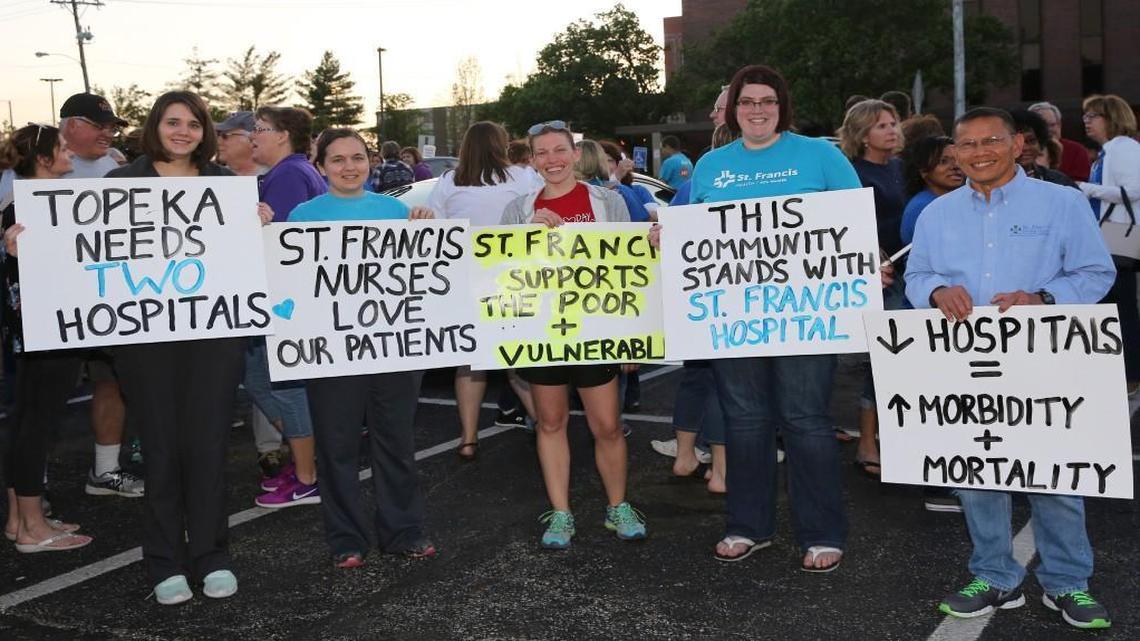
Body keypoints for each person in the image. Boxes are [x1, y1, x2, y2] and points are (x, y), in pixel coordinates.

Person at [907, 106, 1115, 630]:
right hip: (966, 363)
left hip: (1047, 360)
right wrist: (934, 290)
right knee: (978, 474)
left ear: (1017, 145)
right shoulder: (936, 214)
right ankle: (995, 575)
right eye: (966, 145)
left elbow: (1097, 273)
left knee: (1056, 475)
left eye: (990, 141)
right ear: (953, 152)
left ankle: (1068, 583)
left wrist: (1044, 298)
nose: (978, 153)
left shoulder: (1062, 204)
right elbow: (916, 275)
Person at [662, 64, 865, 572]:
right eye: (747, 101)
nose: (757, 110)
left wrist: (869, 261)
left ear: (782, 107)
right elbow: (691, 231)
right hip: (735, 321)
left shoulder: (821, 156)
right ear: (732, 109)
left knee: (806, 422)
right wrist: (666, 238)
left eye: (767, 101)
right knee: (745, 423)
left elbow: (854, 227)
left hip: (807, 319)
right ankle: (748, 526)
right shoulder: (710, 164)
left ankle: (821, 532)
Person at [103, 91, 272, 604]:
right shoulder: (121, 183)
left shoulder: (226, 185)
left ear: (206, 134)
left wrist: (260, 224)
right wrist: (33, 245)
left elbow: (251, 260)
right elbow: (80, 254)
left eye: (194, 124)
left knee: (207, 447)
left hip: (214, 337)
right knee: (160, 449)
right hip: (144, 339)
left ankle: (211, 555)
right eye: (173, 122)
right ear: (155, 126)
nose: (183, 132)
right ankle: (163, 562)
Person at [289, 128, 438, 567]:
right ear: (321, 167)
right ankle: (346, 539)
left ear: (371, 162)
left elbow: (423, 280)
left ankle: (404, 531)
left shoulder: (398, 211)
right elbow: (288, 283)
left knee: (396, 443)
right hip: (332, 354)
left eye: (357, 157)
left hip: (394, 351)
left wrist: (426, 232)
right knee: (337, 449)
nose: (349, 167)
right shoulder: (301, 216)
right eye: (337, 160)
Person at [500, 119, 645, 549]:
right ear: (532, 159)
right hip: (543, 332)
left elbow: (631, 271)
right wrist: (526, 239)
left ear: (575, 153)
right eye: (542, 153)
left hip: (598, 330)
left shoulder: (606, 201)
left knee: (608, 426)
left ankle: (618, 505)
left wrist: (631, 337)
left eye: (559, 150)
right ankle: (561, 513)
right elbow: (501, 274)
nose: (552, 160)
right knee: (550, 422)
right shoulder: (518, 210)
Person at [1, 124, 92, 552]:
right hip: (48, 330)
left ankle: (21, 519)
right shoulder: (29, 208)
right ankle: (33, 528)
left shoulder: (20, 202)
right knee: (37, 424)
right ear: (42, 158)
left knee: (25, 421)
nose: (69, 153)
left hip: (34, 331)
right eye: (60, 148)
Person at [426, 121, 539, 459]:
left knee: (470, 361)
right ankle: (545, 422)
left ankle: (468, 438)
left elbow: (432, 223)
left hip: (467, 280)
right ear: (500, 145)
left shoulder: (449, 182)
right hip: (514, 278)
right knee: (517, 359)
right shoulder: (522, 177)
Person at [58, 93, 142, 500]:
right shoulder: (40, 164)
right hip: (55, 299)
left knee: (110, 382)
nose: (108, 132)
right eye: (99, 124)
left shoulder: (114, 165)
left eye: (111, 125)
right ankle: (29, 488)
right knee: (44, 396)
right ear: (69, 124)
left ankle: (105, 470)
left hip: (108, 294)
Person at [248, 106, 327, 508]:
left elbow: (283, 243)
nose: (252, 136)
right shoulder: (291, 172)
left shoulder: (289, 175)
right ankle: (306, 460)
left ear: (283, 135)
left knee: (284, 387)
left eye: (259, 129)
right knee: (264, 383)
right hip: (283, 301)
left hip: (282, 304)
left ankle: (308, 473)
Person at [214, 110, 286, 481]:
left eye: (229, 135)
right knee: (247, 374)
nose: (221, 141)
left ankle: (282, 445)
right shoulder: (210, 182)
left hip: (264, 297)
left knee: (262, 372)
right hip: (219, 296)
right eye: (220, 136)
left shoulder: (274, 180)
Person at [837, 98, 906, 479]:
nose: (893, 130)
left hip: (911, 273)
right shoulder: (852, 172)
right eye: (882, 125)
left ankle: (893, 438)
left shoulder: (901, 168)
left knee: (902, 362)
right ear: (862, 134)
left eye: (894, 122)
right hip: (877, 277)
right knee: (881, 362)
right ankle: (867, 441)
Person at [1076, 94, 1140, 398]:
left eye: (1093, 116)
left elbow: (1134, 189)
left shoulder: (1124, 148)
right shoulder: (1109, 150)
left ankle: (1129, 374)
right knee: (1115, 306)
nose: (1086, 122)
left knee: (1119, 307)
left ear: (1111, 118)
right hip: (1107, 239)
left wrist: (1086, 188)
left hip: (1116, 240)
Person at [899, 136, 963, 246]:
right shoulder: (922, 208)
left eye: (959, 160)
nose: (955, 166)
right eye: (943, 161)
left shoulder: (961, 201)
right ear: (923, 170)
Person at [1009, 109, 1077, 188]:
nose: (1024, 148)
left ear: (1040, 143)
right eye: (1016, 142)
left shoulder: (1058, 181)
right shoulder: (993, 182)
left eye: (1031, 141)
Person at [1027, 101, 1091, 182]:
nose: (1048, 130)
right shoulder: (1023, 151)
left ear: (1059, 125)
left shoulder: (1077, 150)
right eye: (1043, 126)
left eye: (1052, 125)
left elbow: (1081, 184)